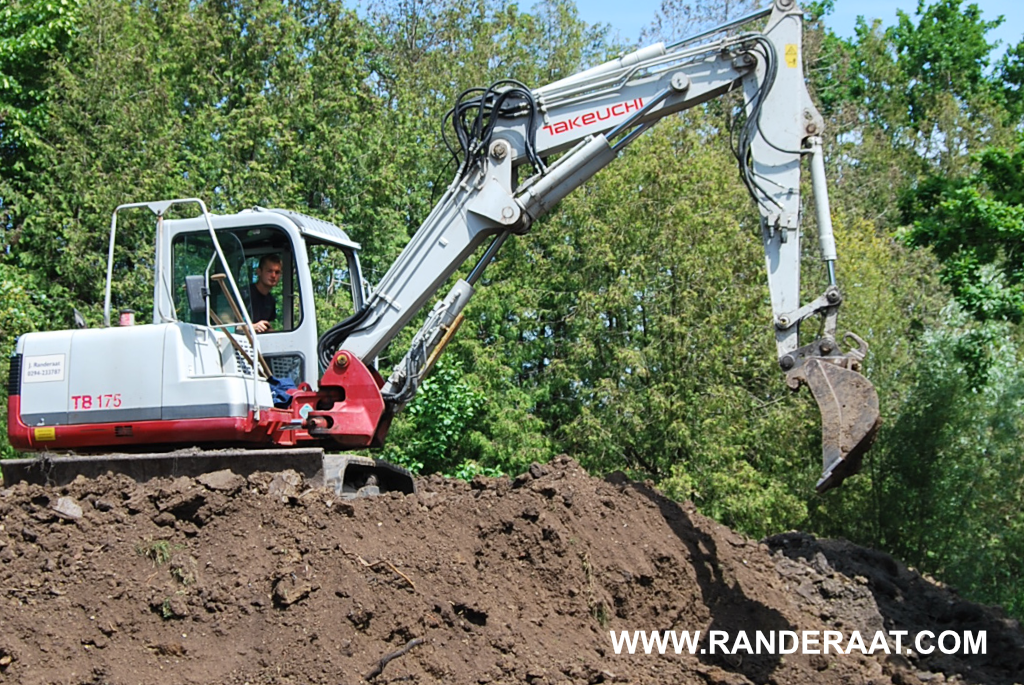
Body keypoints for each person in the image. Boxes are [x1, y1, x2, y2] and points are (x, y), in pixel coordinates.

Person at [248, 254, 282, 333]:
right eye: (269, 271)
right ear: (259, 272)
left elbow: (266, 327)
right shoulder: (244, 295)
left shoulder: (271, 300)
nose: (273, 276)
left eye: (277, 272)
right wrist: (252, 327)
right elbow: (227, 325)